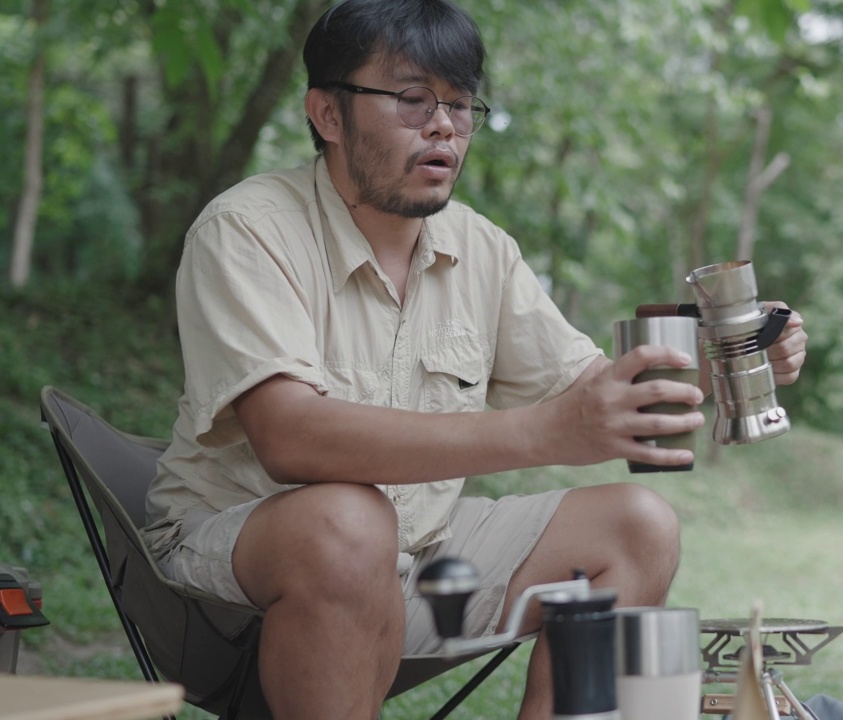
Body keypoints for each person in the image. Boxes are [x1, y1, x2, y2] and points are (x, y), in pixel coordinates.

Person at [141, 1, 808, 719]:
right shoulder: (248, 229)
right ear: (328, 114)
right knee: (347, 520)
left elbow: (589, 387)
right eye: (412, 99)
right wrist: (545, 433)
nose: (444, 127)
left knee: (640, 525)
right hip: (234, 565)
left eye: (461, 106)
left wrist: (733, 362)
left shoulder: (483, 249)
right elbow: (289, 435)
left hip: (423, 560)